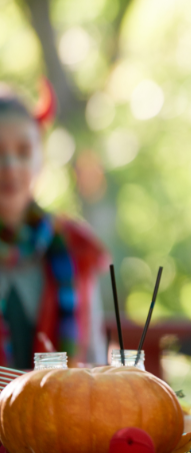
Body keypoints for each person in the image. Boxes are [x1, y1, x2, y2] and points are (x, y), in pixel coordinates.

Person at [0, 84, 109, 369]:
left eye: (23, 152)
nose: (10, 166)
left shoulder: (76, 247)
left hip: (59, 409)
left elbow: (95, 359)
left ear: (40, 160)